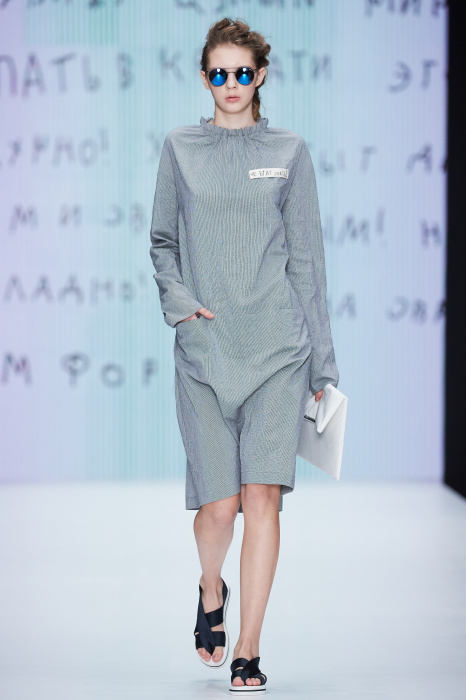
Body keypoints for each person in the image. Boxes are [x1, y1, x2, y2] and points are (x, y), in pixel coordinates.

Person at [149, 16, 339, 694]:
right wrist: (180, 305)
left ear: (260, 75)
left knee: (263, 499)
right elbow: (163, 242)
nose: (231, 83)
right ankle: (211, 589)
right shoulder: (181, 148)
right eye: (218, 73)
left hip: (279, 351)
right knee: (219, 508)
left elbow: (307, 259)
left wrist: (323, 364)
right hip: (204, 350)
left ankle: (248, 648)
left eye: (242, 72)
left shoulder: (289, 151)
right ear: (205, 78)